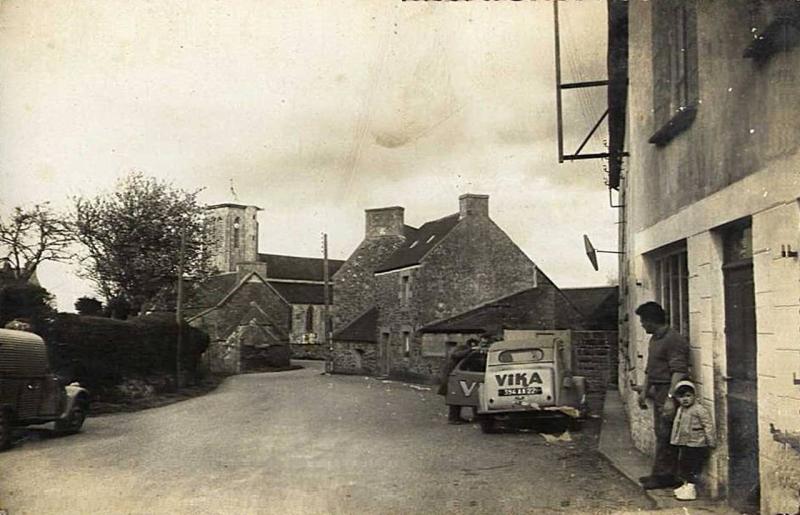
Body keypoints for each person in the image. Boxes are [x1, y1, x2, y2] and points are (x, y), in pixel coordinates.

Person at [634, 301, 690, 490]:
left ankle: (665, 477)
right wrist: (644, 391)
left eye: (643, 320)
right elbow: (651, 369)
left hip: (668, 390)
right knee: (661, 433)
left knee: (666, 434)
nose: (642, 324)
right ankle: (660, 474)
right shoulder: (655, 339)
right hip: (657, 390)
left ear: (652, 321)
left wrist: (670, 399)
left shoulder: (674, 339)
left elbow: (679, 371)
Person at [669, 380, 716, 501]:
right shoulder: (681, 409)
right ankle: (685, 486)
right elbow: (677, 425)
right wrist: (675, 440)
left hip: (697, 444)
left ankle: (691, 489)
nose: (685, 399)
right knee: (684, 464)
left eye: (688, 396)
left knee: (694, 466)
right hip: (685, 443)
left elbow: (708, 425)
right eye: (681, 396)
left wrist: (710, 441)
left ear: (694, 396)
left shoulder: (699, 409)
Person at [437, 338, 478, 424]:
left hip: (456, 376)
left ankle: (457, 417)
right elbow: (455, 355)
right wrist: (470, 350)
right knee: (454, 397)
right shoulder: (462, 349)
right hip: (451, 376)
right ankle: (453, 418)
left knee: (459, 396)